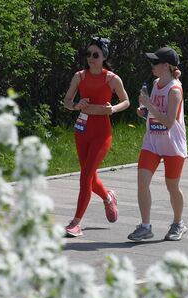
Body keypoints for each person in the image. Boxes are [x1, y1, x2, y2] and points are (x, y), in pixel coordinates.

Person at [62, 37, 130, 237]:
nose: (90, 58)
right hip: (82, 131)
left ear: (104, 57)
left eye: (95, 55)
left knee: (85, 177)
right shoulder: (79, 77)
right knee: (89, 178)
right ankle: (108, 197)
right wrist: (76, 105)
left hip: (102, 133)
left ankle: (76, 223)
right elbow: (67, 101)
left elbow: (126, 101)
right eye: (88, 54)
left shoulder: (112, 79)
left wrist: (113, 109)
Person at [127, 47, 187, 241]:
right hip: (152, 141)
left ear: (166, 66)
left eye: (155, 62)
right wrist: (143, 110)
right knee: (142, 183)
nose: (152, 65)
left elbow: (169, 121)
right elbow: (152, 112)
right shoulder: (155, 83)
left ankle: (178, 223)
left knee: (172, 186)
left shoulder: (175, 90)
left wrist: (149, 105)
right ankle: (145, 226)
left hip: (172, 144)